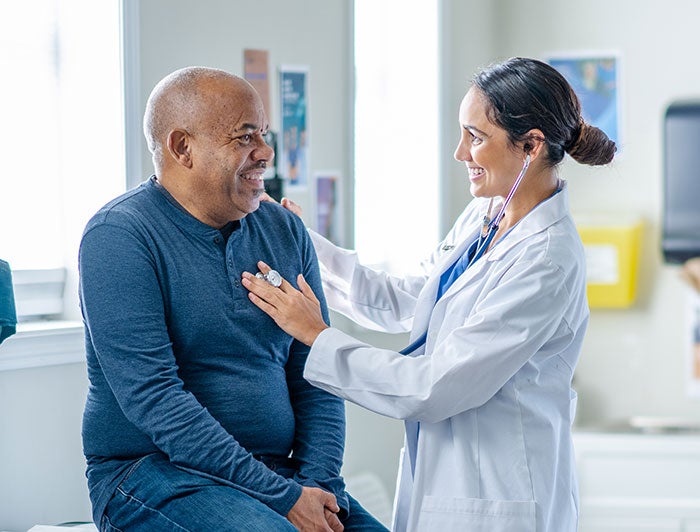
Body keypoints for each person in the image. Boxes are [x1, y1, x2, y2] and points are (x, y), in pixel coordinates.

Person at [242, 57, 617, 532]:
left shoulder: (546, 259)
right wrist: (306, 244)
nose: (460, 153)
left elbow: (434, 386)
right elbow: (414, 300)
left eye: (475, 137)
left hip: (501, 498)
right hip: (449, 484)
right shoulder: (486, 215)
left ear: (531, 145)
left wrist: (317, 337)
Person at [79, 66, 387, 532]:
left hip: (272, 473)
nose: (266, 152)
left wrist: (317, 486)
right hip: (153, 474)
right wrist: (285, 499)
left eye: (263, 134)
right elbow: (155, 398)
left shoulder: (283, 231)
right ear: (182, 147)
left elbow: (316, 374)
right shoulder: (120, 237)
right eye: (245, 138)